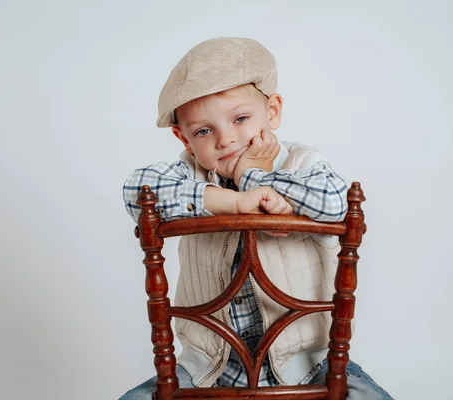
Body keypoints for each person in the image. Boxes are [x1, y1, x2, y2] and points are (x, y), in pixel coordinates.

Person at [121, 37, 393, 400]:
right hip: (209, 366)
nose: (226, 139)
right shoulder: (191, 173)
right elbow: (136, 191)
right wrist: (234, 202)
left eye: (241, 118)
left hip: (307, 362)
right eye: (203, 131)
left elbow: (336, 203)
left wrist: (255, 176)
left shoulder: (302, 164)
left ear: (273, 111)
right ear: (183, 139)